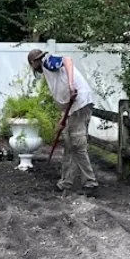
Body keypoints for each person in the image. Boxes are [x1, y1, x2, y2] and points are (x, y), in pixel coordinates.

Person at [26, 48, 99, 195]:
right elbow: (63, 95)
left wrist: (72, 85)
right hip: (74, 107)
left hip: (79, 103)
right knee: (69, 144)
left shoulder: (47, 62)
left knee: (77, 144)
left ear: (34, 63)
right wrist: (62, 119)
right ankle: (66, 183)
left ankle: (90, 183)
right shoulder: (48, 71)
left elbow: (67, 60)